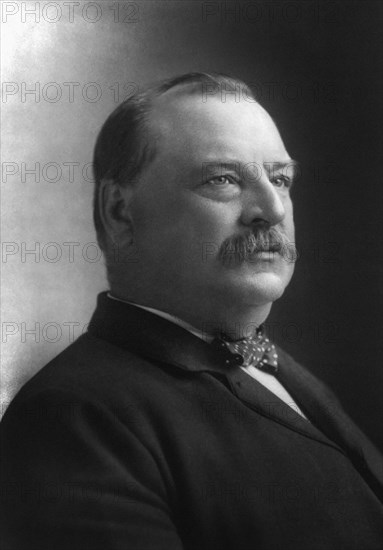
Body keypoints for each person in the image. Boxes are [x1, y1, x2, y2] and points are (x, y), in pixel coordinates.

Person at [1, 73, 382, 550]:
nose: (271, 209)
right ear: (120, 212)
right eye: (223, 179)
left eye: (280, 179)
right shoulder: (71, 418)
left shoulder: (278, 367)